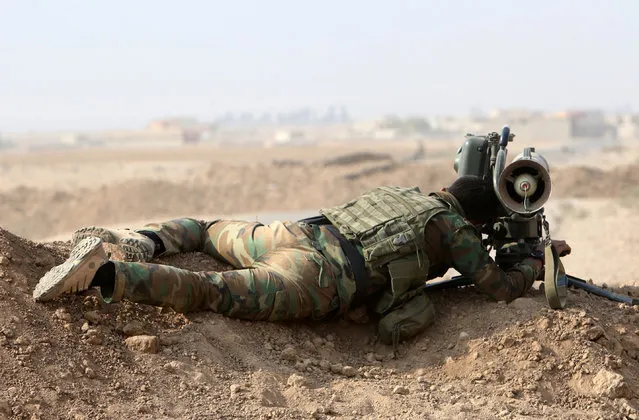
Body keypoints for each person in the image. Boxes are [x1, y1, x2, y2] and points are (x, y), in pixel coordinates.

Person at [33, 176, 571, 346]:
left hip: (295, 232)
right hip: (314, 279)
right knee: (213, 292)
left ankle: (141, 241)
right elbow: (498, 289)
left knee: (206, 229)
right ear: (475, 217)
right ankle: (109, 272)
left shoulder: (409, 194)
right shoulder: (453, 230)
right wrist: (533, 262)